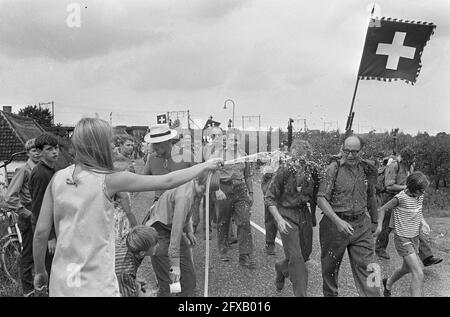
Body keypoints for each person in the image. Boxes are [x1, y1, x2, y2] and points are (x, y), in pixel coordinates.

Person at [32, 118, 222, 297]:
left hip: (63, 277)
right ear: (100, 146)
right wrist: (205, 165)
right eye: (109, 142)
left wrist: (40, 270)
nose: (112, 146)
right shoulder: (110, 179)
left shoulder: (57, 178)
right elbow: (168, 180)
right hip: (97, 279)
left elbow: (40, 233)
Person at [317, 135, 380, 297]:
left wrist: (374, 220)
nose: (350, 155)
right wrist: (338, 221)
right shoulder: (333, 168)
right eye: (347, 151)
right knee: (330, 269)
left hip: (361, 225)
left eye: (354, 152)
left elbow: (372, 195)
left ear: (361, 151)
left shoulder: (368, 169)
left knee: (370, 267)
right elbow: (321, 198)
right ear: (342, 150)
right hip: (334, 226)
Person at [145, 172, 216, 297]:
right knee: (168, 281)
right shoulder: (184, 196)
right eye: (204, 189)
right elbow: (176, 234)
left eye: (209, 191)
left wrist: (189, 231)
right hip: (158, 227)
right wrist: (175, 266)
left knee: (188, 277)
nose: (205, 194)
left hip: (170, 225)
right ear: (196, 181)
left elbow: (186, 214)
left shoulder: (193, 187)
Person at [265, 140, 320, 296]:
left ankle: (281, 268)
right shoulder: (283, 170)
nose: (298, 163)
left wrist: (314, 216)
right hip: (286, 214)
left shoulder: (313, 171)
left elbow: (317, 196)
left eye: (303, 160)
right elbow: (269, 198)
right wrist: (279, 219)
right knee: (297, 261)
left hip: (304, 214)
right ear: (291, 157)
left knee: (305, 254)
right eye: (295, 159)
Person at [375, 147, 442, 266]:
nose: (412, 162)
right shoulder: (394, 165)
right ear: (405, 158)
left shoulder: (409, 166)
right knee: (386, 226)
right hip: (391, 197)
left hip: (407, 197)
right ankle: (380, 248)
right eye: (410, 159)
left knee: (414, 224)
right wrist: (406, 188)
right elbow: (389, 186)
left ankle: (427, 257)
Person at [204, 128, 256, 269]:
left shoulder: (243, 155)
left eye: (237, 139)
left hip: (240, 189)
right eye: (232, 139)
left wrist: (250, 193)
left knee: (244, 221)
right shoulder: (219, 154)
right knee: (223, 221)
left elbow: (248, 175)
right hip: (224, 188)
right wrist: (217, 190)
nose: (234, 142)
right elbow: (211, 173)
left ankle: (244, 255)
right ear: (227, 140)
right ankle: (223, 250)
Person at [375, 172, 431, 297]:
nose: (424, 193)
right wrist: (379, 226)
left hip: (414, 237)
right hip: (402, 238)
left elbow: (418, 211)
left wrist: (424, 223)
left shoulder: (419, 196)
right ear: (414, 189)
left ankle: (388, 283)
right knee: (418, 273)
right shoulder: (400, 198)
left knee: (406, 268)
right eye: (422, 190)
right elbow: (382, 209)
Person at [4, 138, 40, 297]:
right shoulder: (23, 170)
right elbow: (10, 197)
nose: (38, 153)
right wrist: (26, 212)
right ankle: (28, 291)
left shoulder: (41, 169)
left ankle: (40, 287)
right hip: (28, 213)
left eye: (39, 150)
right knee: (29, 253)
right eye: (34, 151)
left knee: (41, 251)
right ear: (28, 153)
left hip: (40, 212)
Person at [29, 133, 60, 282]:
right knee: (51, 273)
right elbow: (38, 208)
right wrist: (51, 237)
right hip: (46, 233)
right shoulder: (41, 174)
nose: (54, 151)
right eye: (49, 149)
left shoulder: (51, 169)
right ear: (40, 152)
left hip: (51, 228)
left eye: (56, 148)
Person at [115, 225, 159, 297]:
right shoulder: (127, 271)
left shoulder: (132, 240)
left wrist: (134, 282)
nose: (158, 245)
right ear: (142, 253)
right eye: (154, 245)